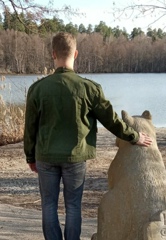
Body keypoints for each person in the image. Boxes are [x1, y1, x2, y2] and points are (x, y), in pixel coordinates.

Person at [24, 32, 152, 240]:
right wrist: (133, 136)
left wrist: (30, 156)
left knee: (48, 205)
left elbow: (29, 127)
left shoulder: (37, 89)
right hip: (76, 157)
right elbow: (111, 120)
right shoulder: (89, 88)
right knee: (73, 206)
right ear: (75, 54)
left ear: (53, 54)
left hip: (45, 156)